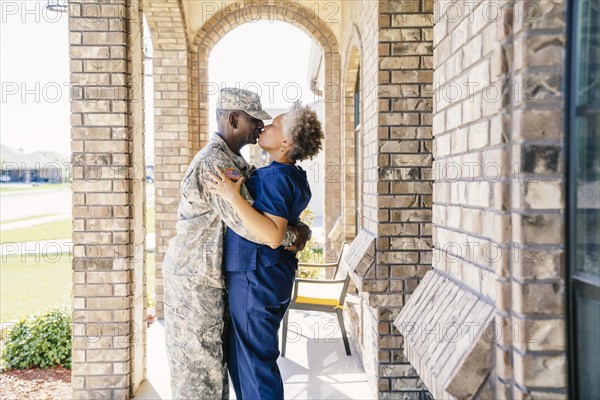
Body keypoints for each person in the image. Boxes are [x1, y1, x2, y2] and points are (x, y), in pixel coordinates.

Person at [162, 88, 311, 399]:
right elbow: (254, 227)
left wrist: (297, 230)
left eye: (267, 123)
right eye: (256, 120)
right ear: (233, 119)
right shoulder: (214, 164)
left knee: (226, 369)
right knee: (199, 378)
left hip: (218, 279)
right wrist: (293, 236)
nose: (261, 126)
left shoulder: (238, 164)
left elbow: (267, 208)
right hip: (194, 283)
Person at [206, 102, 324, 399]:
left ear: (286, 142)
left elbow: (273, 235)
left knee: (256, 364)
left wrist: (233, 197)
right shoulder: (287, 174)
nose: (264, 126)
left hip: (257, 276)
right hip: (265, 275)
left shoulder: (276, 177)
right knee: (245, 359)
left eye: (274, 125)